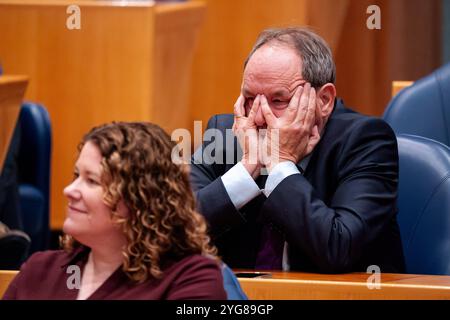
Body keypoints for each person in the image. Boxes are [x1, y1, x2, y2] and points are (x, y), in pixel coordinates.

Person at [190, 27, 405, 273]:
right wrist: (244, 172)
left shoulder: (365, 141)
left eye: (278, 101)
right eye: (249, 99)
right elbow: (169, 230)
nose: (259, 116)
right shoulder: (227, 132)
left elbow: (339, 248)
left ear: (323, 100)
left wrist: (280, 165)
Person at [3, 122, 226, 300]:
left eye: (91, 180)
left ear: (140, 198)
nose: (69, 190)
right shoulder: (40, 270)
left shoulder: (190, 279)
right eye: (76, 176)